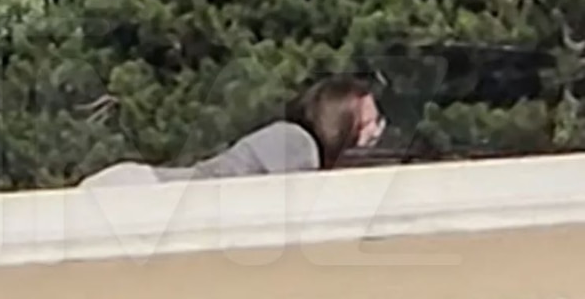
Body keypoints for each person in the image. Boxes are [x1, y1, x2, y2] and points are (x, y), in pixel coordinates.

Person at [78, 74, 386, 188]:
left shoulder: (294, 141)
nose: (376, 132)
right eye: (369, 122)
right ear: (341, 121)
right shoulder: (298, 144)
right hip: (142, 190)